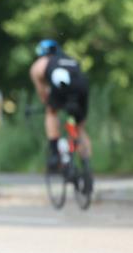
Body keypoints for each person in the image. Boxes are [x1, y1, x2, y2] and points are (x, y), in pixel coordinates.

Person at [29, 39, 92, 188]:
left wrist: (48, 103)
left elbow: (43, 93)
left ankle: (54, 152)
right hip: (82, 87)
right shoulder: (70, 59)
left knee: (51, 113)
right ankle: (87, 170)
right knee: (80, 128)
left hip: (61, 87)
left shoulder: (40, 64)